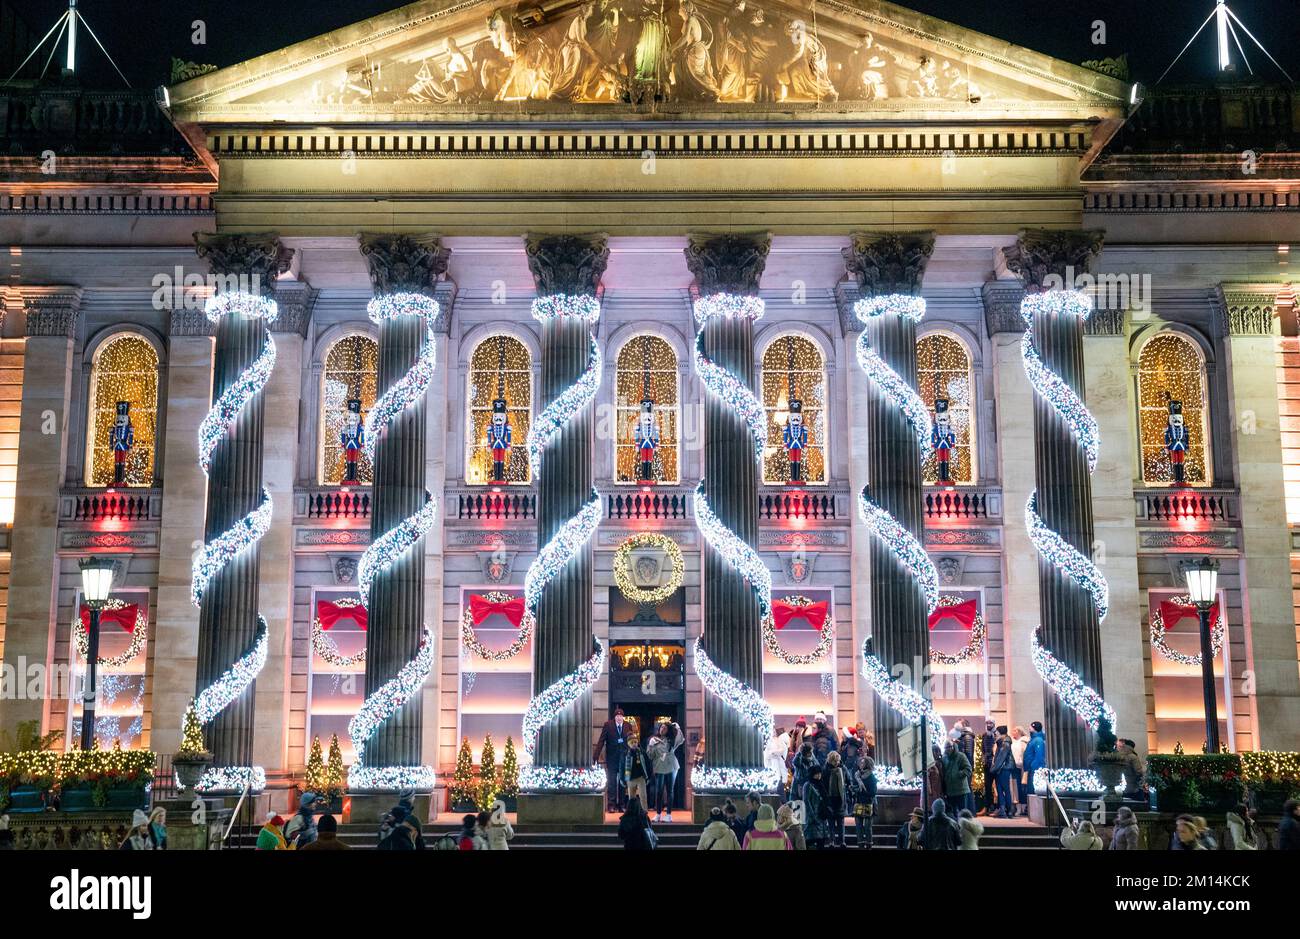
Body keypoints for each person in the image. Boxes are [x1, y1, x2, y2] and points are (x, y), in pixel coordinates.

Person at [593, 708, 631, 812]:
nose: (619, 718)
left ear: (623, 717)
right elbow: (601, 741)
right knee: (612, 782)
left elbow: (632, 741)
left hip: (624, 758)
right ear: (614, 717)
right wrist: (596, 755)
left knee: (623, 782)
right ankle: (611, 804)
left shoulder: (628, 725)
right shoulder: (608, 725)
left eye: (621, 716)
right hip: (612, 758)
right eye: (617, 716)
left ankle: (622, 804)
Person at [646, 721, 682, 822]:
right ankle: (658, 814)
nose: (662, 729)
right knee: (659, 791)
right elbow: (650, 756)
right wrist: (651, 745)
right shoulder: (654, 740)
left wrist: (678, 728)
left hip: (671, 767)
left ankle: (669, 814)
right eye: (661, 727)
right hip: (659, 767)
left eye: (665, 728)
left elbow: (681, 739)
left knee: (670, 790)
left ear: (668, 730)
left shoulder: (671, 740)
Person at [823, 750, 849, 847]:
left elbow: (848, 779)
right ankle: (832, 841)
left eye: (837, 761)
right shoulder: (825, 770)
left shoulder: (843, 769)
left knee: (840, 822)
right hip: (830, 799)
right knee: (831, 823)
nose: (837, 763)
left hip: (840, 799)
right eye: (834, 761)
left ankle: (842, 841)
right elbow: (824, 784)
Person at [851, 755, 877, 849]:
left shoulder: (871, 777)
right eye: (860, 762)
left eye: (863, 762)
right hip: (858, 803)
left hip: (868, 804)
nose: (860, 764)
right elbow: (854, 786)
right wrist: (854, 789)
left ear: (867, 764)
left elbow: (873, 792)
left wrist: (860, 791)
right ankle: (860, 843)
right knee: (858, 825)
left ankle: (869, 844)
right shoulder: (857, 775)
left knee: (867, 826)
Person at [802, 763, 830, 849]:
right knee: (810, 841)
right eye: (816, 773)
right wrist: (813, 816)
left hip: (822, 816)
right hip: (813, 818)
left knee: (821, 842)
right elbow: (806, 801)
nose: (819, 775)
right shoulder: (808, 785)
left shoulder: (820, 784)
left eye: (820, 773)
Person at [941, 740, 973, 815]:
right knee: (952, 813)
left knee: (963, 813)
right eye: (946, 747)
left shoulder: (961, 756)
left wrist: (958, 774)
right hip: (950, 791)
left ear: (953, 747)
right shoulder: (944, 758)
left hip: (961, 790)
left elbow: (968, 769)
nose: (948, 749)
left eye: (949, 747)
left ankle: (964, 826)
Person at [991, 727, 1015, 818]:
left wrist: (994, 768)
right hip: (1003, 768)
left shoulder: (1005, 743)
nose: (995, 734)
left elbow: (1001, 758)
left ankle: (1008, 810)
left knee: (1004, 789)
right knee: (1002, 790)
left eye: (996, 732)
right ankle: (1004, 810)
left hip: (1003, 768)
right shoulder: (1003, 742)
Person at [623, 733, 650, 806]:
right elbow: (622, 766)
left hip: (641, 777)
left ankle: (644, 813)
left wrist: (648, 776)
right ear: (629, 744)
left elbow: (648, 764)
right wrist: (622, 779)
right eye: (632, 742)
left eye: (635, 742)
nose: (634, 744)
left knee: (643, 796)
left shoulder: (642, 752)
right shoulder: (626, 753)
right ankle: (633, 813)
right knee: (631, 798)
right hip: (630, 778)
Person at [977, 719, 996, 815]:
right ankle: (987, 807)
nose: (988, 725)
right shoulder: (984, 735)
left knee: (998, 787)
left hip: (995, 764)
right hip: (987, 764)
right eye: (987, 723)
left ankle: (996, 807)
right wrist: (983, 758)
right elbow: (983, 749)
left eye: (990, 723)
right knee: (987, 786)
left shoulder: (997, 734)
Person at [1023, 721, 1046, 801]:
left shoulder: (1038, 740)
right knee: (1030, 789)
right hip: (1031, 768)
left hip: (1035, 769)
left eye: (1030, 727)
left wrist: (1033, 766)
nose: (1029, 728)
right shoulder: (1033, 739)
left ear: (1034, 728)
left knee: (1032, 789)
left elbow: (1039, 756)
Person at [764, 725, 790, 793]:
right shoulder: (767, 741)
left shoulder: (779, 740)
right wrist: (772, 753)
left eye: (774, 731)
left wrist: (773, 752)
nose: (773, 732)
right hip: (769, 764)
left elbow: (781, 751)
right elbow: (766, 753)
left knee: (779, 786)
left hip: (777, 765)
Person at [1010, 726, 1028, 808]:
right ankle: (1017, 805)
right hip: (1014, 766)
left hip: (1021, 766)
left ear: (1019, 732)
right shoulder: (1014, 742)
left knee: (1021, 786)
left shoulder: (1023, 741)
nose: (1013, 732)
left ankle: (1023, 806)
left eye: (1014, 730)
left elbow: (1024, 753)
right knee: (1015, 786)